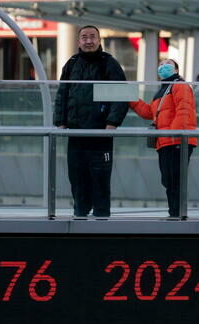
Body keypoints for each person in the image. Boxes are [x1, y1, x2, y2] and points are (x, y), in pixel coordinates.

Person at [54, 25, 128, 218]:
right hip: (76, 133)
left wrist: (112, 123)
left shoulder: (108, 64)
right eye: (84, 37)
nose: (88, 41)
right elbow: (62, 94)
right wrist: (60, 122)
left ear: (99, 40)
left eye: (92, 37)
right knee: (77, 177)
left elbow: (122, 96)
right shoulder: (71, 63)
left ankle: (101, 217)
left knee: (100, 178)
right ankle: (79, 214)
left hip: (100, 134)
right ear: (79, 41)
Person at [129, 59, 197, 218]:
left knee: (174, 180)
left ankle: (178, 214)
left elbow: (184, 111)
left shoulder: (179, 86)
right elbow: (149, 113)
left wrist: (173, 135)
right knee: (169, 180)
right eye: (160, 64)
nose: (162, 66)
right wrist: (131, 98)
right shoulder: (163, 90)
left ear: (176, 69)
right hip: (166, 141)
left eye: (167, 63)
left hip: (176, 140)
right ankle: (174, 213)